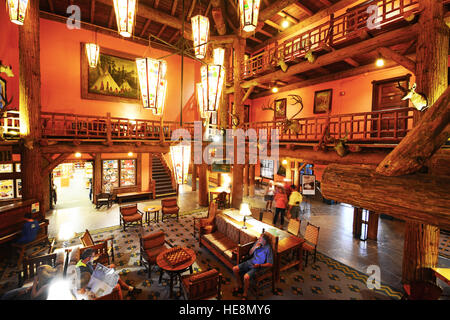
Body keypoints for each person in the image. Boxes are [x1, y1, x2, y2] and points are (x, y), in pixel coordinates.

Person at [76, 248, 141, 299]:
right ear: (88, 257)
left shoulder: (84, 262)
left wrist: (108, 267)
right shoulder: (82, 269)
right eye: (92, 257)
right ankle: (129, 289)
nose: (93, 258)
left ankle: (129, 288)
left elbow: (94, 269)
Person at [232, 233, 273, 300]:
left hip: (258, 266)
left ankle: (245, 294)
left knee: (246, 277)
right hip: (251, 261)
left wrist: (260, 265)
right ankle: (240, 285)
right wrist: (255, 247)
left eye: (260, 239)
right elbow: (250, 253)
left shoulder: (268, 248)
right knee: (235, 269)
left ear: (264, 241)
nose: (258, 239)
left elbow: (270, 264)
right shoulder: (258, 243)